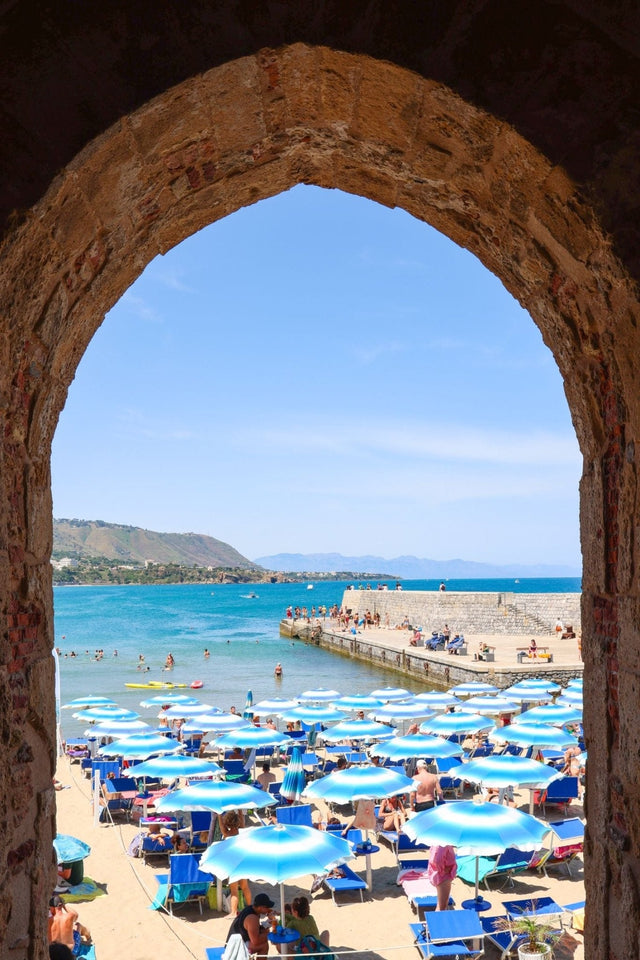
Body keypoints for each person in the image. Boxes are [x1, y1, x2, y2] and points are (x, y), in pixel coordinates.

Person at [220, 810, 252, 915]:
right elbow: (241, 819)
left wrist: (219, 814)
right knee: (245, 887)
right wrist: (239, 810)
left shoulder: (226, 834)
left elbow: (221, 825)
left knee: (234, 890)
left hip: (232, 864)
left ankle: (233, 912)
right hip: (243, 862)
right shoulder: (242, 832)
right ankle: (250, 908)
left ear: (227, 822)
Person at [226, 892, 274, 956]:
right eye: (267, 907)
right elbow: (256, 941)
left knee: (264, 932)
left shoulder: (251, 909)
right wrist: (272, 934)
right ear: (260, 907)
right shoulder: (252, 918)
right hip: (235, 946)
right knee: (264, 945)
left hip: (237, 940)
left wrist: (269, 922)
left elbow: (256, 929)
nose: (269, 909)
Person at [426, 844, 457, 910]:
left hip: (441, 876)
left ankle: (437, 919)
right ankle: (437, 920)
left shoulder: (440, 843)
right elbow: (437, 860)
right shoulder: (442, 844)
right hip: (443, 877)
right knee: (442, 906)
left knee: (441, 903)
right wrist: (443, 870)